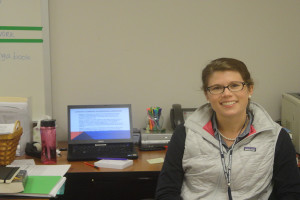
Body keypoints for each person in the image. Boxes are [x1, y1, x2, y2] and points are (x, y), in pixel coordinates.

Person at [155, 58, 300, 200]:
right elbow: (166, 192)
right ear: (207, 95)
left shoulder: (276, 137)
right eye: (217, 88)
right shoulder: (185, 134)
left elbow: (291, 193)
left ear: (250, 89)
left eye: (235, 85)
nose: (227, 93)